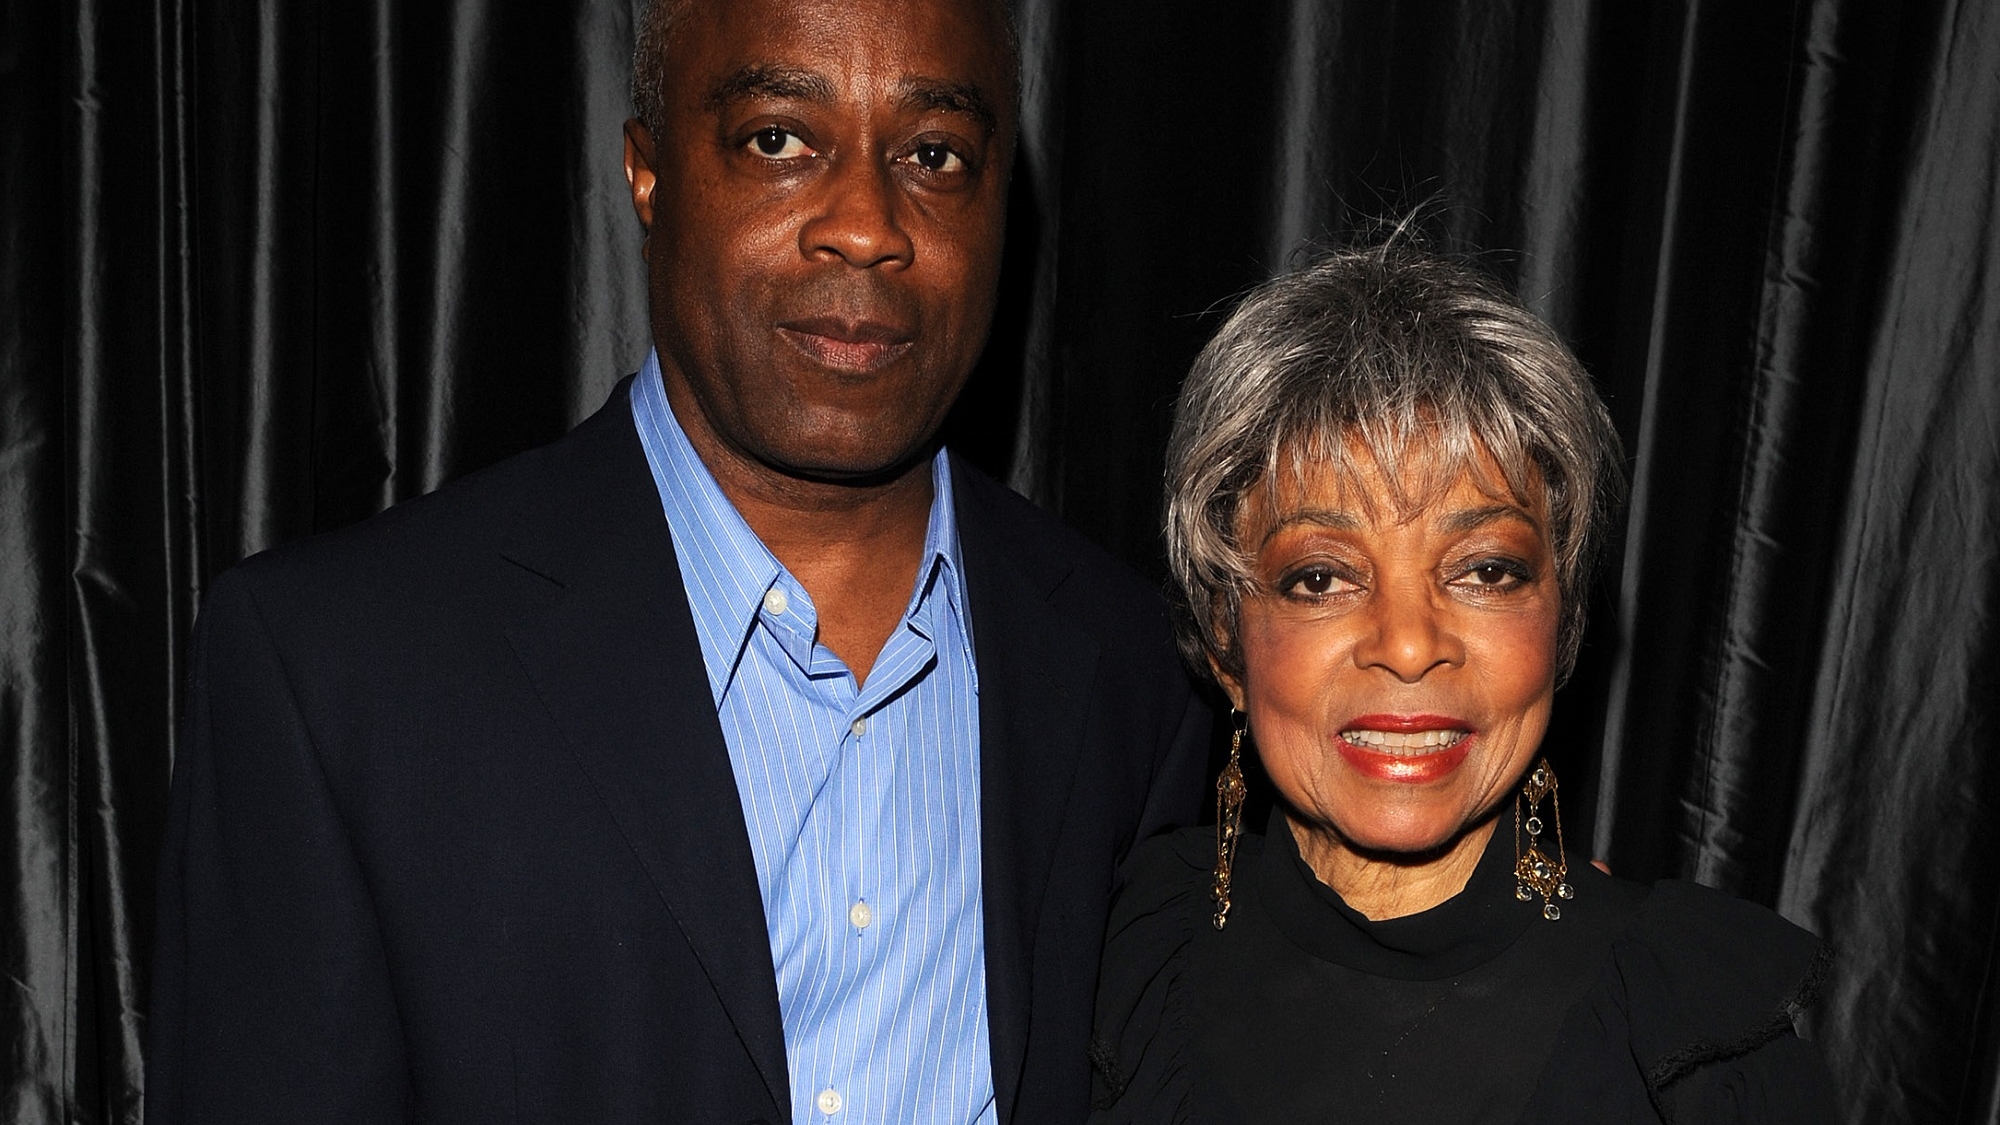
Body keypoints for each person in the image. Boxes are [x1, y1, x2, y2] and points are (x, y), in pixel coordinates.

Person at [145, 0, 1210, 1121]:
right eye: (779, 140)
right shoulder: (335, 675)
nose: (862, 223)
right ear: (646, 172)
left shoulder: (1137, 673)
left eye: (933, 154)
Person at [1087, 243, 1837, 1123]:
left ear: (1561, 628)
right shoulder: (1124, 951)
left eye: (1485, 569)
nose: (1409, 646)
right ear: (1225, 640)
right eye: (1322, 577)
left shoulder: (1696, 1038)